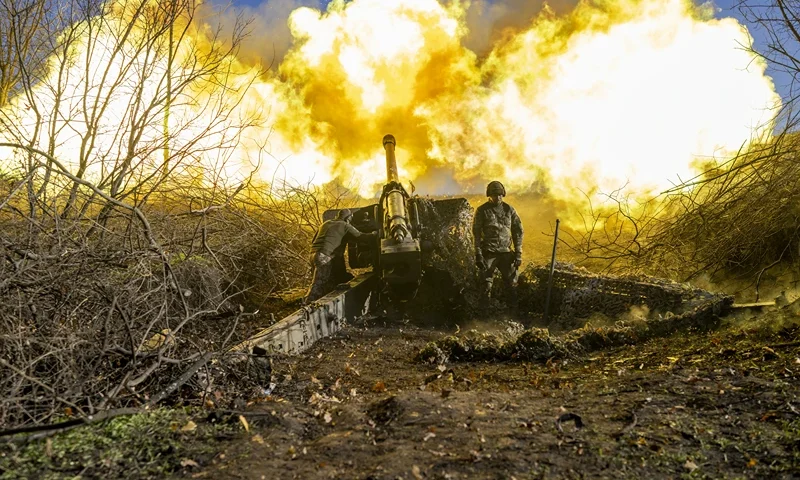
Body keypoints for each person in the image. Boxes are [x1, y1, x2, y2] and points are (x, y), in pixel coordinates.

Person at [303, 209, 376, 304]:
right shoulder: (345, 225)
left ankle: (316, 301)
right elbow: (361, 236)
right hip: (324, 255)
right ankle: (307, 304)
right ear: (348, 218)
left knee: (328, 281)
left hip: (313, 254)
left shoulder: (326, 223)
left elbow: (314, 240)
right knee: (320, 282)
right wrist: (374, 235)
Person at [472, 181, 524, 304]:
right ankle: (484, 316)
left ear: (503, 194)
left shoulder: (509, 210)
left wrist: (518, 253)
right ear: (489, 195)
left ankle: (512, 313)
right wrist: (478, 254)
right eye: (495, 195)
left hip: (506, 253)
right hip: (489, 253)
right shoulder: (482, 211)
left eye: (500, 195)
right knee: (486, 285)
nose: (498, 197)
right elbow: (477, 233)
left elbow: (518, 231)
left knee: (512, 284)